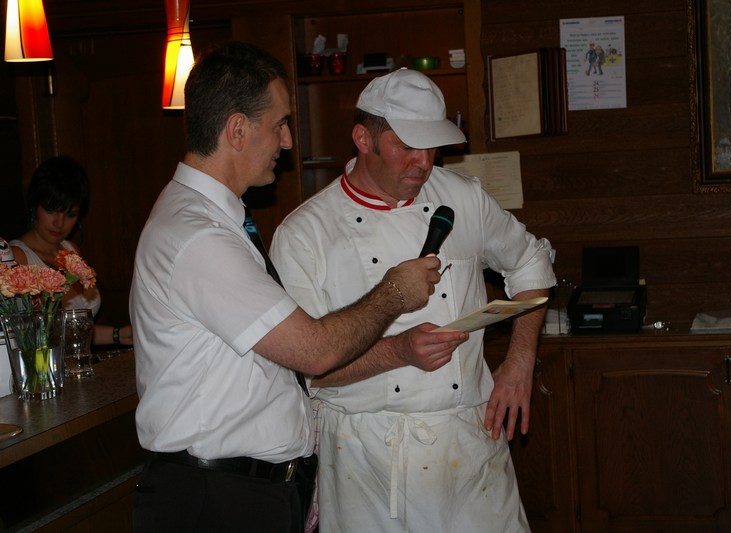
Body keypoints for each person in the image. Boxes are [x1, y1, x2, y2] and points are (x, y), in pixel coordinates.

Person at [128, 42, 462, 533]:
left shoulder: (211, 219)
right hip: (216, 499)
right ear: (237, 130)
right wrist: (393, 293)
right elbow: (314, 352)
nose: (286, 142)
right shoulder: (199, 236)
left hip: (240, 490)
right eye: (280, 124)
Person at [270, 68, 557, 532]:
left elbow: (531, 263)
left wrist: (520, 361)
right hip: (366, 458)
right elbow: (307, 371)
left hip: (470, 442)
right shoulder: (306, 234)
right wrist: (398, 352)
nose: (422, 163)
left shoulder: (463, 198)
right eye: (406, 146)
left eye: (431, 147)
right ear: (363, 138)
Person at [10, 155, 132, 346]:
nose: (59, 223)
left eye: (70, 214)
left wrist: (119, 334)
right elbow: (26, 334)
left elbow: (76, 330)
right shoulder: (17, 256)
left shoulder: (71, 250)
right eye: (51, 210)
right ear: (35, 205)